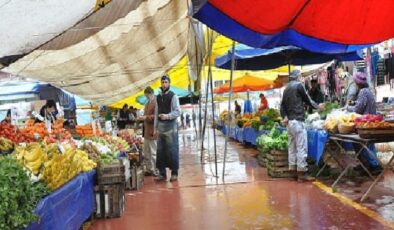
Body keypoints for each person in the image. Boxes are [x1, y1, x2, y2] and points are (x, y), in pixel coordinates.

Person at [280, 70, 324, 182]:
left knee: (292, 147)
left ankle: (292, 171)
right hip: (298, 121)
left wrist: (284, 116)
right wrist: (318, 106)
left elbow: (282, 106)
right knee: (301, 148)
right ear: (298, 77)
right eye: (301, 77)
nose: (302, 79)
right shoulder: (299, 85)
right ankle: (302, 173)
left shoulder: (286, 89)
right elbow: (307, 99)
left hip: (289, 123)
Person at [346, 72, 381, 174]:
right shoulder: (367, 91)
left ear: (357, 83)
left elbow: (358, 109)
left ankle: (373, 166)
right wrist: (354, 103)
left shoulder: (363, 92)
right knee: (363, 144)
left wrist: (348, 108)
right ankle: (365, 164)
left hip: (366, 124)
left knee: (366, 145)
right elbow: (361, 104)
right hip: (369, 123)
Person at [154, 74, 181, 182]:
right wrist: (155, 127)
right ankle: (162, 173)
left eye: (166, 82)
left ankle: (174, 173)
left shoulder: (173, 96)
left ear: (169, 83)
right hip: (160, 127)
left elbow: (178, 111)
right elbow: (156, 112)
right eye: (162, 82)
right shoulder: (158, 97)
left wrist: (167, 116)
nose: (164, 84)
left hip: (171, 127)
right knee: (160, 150)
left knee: (172, 149)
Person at [138, 86, 158, 176]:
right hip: (146, 131)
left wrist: (146, 117)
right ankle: (149, 169)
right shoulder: (147, 103)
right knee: (146, 152)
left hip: (153, 130)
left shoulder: (156, 102)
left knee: (154, 152)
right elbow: (146, 115)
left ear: (151, 93)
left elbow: (157, 116)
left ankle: (156, 169)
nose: (146, 97)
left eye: (147, 95)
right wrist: (143, 117)